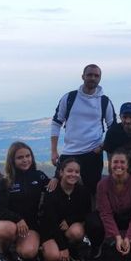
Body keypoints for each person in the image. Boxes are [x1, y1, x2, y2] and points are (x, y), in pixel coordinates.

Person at [50, 64, 116, 195]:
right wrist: (53, 150)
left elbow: (113, 128)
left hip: (93, 154)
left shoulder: (104, 101)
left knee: (92, 191)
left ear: (100, 78)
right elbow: (56, 123)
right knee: (60, 189)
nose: (93, 78)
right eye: (89, 75)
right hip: (70, 152)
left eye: (96, 76)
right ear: (83, 77)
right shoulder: (69, 98)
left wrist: (102, 146)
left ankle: (89, 216)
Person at [87, 149, 131, 260]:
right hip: (114, 216)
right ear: (110, 164)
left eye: (122, 162)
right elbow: (105, 213)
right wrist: (117, 237)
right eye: (115, 162)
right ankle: (96, 246)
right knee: (92, 221)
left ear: (127, 165)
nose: (118, 165)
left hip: (130, 215)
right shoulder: (102, 184)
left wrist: (128, 238)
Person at [0, 141, 49, 261]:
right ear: (12, 160)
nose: (25, 160)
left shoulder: (39, 176)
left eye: (28, 156)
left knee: (29, 253)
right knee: (8, 230)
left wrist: (56, 178)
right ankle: (4, 254)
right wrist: (17, 219)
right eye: (20, 157)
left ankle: (21, 246)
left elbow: (53, 190)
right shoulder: (5, 182)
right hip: (7, 223)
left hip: (30, 224)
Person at [39, 158, 91, 261]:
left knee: (77, 232)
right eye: (69, 171)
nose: (73, 174)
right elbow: (50, 221)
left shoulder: (83, 191)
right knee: (53, 257)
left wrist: (70, 220)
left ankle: (72, 248)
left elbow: (86, 213)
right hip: (51, 230)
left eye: (77, 172)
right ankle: (42, 250)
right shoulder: (51, 193)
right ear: (61, 172)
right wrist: (63, 248)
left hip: (68, 229)